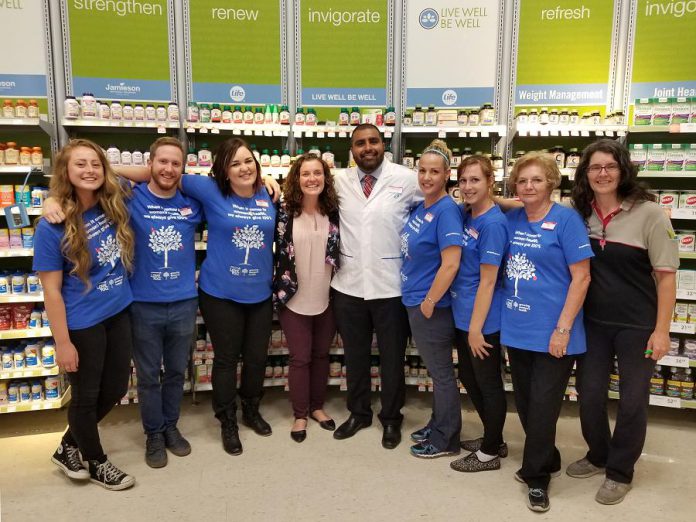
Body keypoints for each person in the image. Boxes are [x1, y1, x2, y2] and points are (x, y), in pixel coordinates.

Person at [42, 137, 204, 469]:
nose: (168, 169)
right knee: (147, 375)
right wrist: (53, 197)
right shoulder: (128, 196)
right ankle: (154, 433)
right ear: (150, 164)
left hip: (184, 303)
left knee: (175, 372)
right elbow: (95, 179)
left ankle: (171, 427)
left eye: (176, 163)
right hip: (141, 304)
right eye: (161, 162)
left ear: (183, 168)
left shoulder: (192, 202)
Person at [566, 139, 678, 505]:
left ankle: (620, 471)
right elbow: (535, 207)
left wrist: (661, 331)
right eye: (594, 167)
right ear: (584, 174)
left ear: (623, 169)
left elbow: (666, 277)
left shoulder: (650, 214)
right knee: (589, 394)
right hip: (594, 322)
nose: (602, 174)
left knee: (632, 400)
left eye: (609, 166)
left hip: (637, 325)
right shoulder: (577, 212)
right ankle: (599, 454)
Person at [33, 139, 136, 490]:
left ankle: (68, 446)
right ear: (65, 171)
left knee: (117, 386)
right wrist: (62, 343)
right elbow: (51, 291)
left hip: (119, 310)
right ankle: (97, 461)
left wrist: (108, 172)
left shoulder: (112, 198)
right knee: (87, 395)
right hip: (82, 321)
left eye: (95, 164)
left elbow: (149, 170)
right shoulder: (52, 225)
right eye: (80, 165)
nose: (89, 170)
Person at [501, 152, 592, 512]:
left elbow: (582, 277)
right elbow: (498, 204)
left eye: (537, 180)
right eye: (522, 181)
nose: (528, 186)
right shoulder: (511, 220)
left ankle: (536, 477)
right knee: (524, 403)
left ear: (552, 182)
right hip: (518, 327)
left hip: (556, 332)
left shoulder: (567, 221)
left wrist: (563, 328)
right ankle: (549, 456)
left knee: (542, 406)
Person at [179, 138, 277, 456]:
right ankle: (227, 420)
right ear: (223, 170)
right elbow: (160, 174)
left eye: (248, 161)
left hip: (259, 293)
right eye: (234, 163)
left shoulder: (268, 193)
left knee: (256, 358)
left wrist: (273, 181)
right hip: (220, 293)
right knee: (225, 359)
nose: (243, 168)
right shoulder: (210, 190)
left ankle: (251, 409)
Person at [331, 124, 421, 449]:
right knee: (354, 355)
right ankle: (358, 413)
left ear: (383, 144)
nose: (367, 148)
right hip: (349, 284)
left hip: (391, 286)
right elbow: (303, 192)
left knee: (392, 358)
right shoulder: (337, 180)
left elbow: (438, 204)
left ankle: (392, 419)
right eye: (360, 143)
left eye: (373, 141)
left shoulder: (407, 179)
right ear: (351, 150)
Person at [400, 140, 462, 458]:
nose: (426, 177)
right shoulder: (423, 206)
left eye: (434, 172)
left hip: (431, 307)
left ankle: (446, 438)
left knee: (440, 373)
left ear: (446, 174)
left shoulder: (446, 211)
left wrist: (430, 300)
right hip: (414, 299)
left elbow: (451, 262)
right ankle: (438, 423)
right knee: (435, 371)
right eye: (422, 170)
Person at [273, 153, 340, 443]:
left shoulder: (334, 211)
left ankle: (317, 407)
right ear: (296, 179)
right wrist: (265, 179)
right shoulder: (285, 210)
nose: (312, 179)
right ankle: (300, 413)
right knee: (300, 358)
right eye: (305, 174)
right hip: (294, 297)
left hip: (327, 295)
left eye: (317, 173)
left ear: (325, 178)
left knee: (321, 355)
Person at [448, 155, 509, 473]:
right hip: (463, 313)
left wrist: (476, 330)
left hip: (483, 319)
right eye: (463, 181)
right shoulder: (468, 214)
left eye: (476, 180)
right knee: (469, 377)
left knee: (488, 383)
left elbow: (488, 281)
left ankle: (489, 453)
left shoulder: (493, 224)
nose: (468, 187)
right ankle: (494, 437)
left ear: (490, 182)